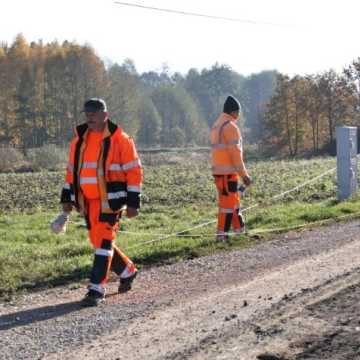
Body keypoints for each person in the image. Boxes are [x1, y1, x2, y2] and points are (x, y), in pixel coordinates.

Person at [53, 98, 142, 306]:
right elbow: (71, 172)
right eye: (87, 113)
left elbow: (134, 172)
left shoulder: (121, 140)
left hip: (111, 201)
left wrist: (133, 203)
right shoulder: (79, 140)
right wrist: (66, 198)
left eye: (93, 112)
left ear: (105, 115)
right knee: (99, 241)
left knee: (103, 242)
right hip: (88, 202)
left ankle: (96, 288)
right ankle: (128, 271)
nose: (89, 116)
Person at [210, 95, 251, 241]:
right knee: (228, 206)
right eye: (238, 112)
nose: (239, 115)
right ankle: (222, 237)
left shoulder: (216, 126)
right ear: (234, 112)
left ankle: (239, 231)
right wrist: (244, 175)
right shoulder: (231, 127)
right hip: (228, 173)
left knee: (232, 202)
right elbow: (236, 154)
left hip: (218, 173)